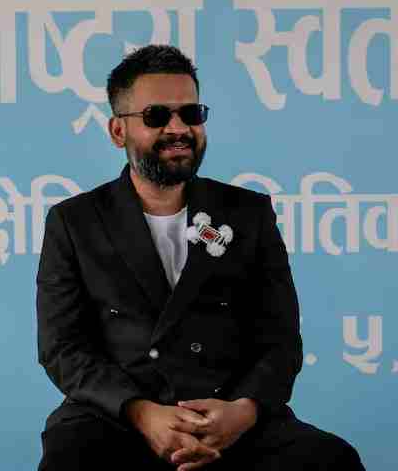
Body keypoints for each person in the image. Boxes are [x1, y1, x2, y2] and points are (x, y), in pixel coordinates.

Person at [36, 45, 364, 470]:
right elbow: (63, 347)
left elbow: (280, 340)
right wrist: (142, 413)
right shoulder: (74, 222)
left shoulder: (248, 214)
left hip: (229, 416)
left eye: (190, 114)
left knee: (331, 460)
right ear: (118, 131)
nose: (178, 128)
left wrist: (241, 413)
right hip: (119, 418)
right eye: (156, 116)